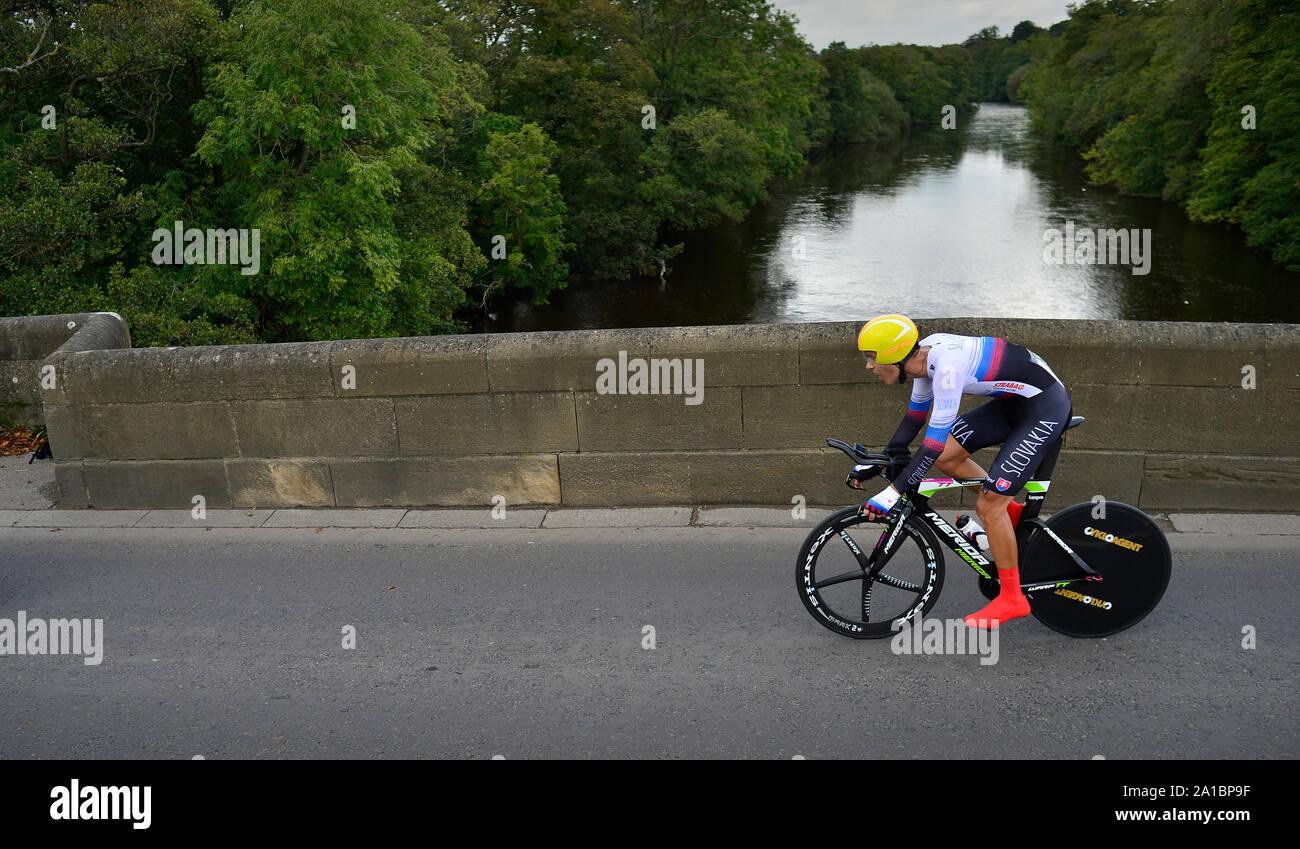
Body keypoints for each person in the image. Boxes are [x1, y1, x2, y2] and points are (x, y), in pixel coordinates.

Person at [849, 314, 1072, 629]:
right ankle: (1015, 516)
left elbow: (931, 445)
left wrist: (891, 494)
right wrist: (878, 462)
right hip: (1013, 404)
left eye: (872, 358)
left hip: (1043, 407)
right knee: (951, 457)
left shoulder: (947, 371)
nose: (869, 366)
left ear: (893, 356)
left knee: (988, 505)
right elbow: (914, 421)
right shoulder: (923, 359)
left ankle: (1012, 597)